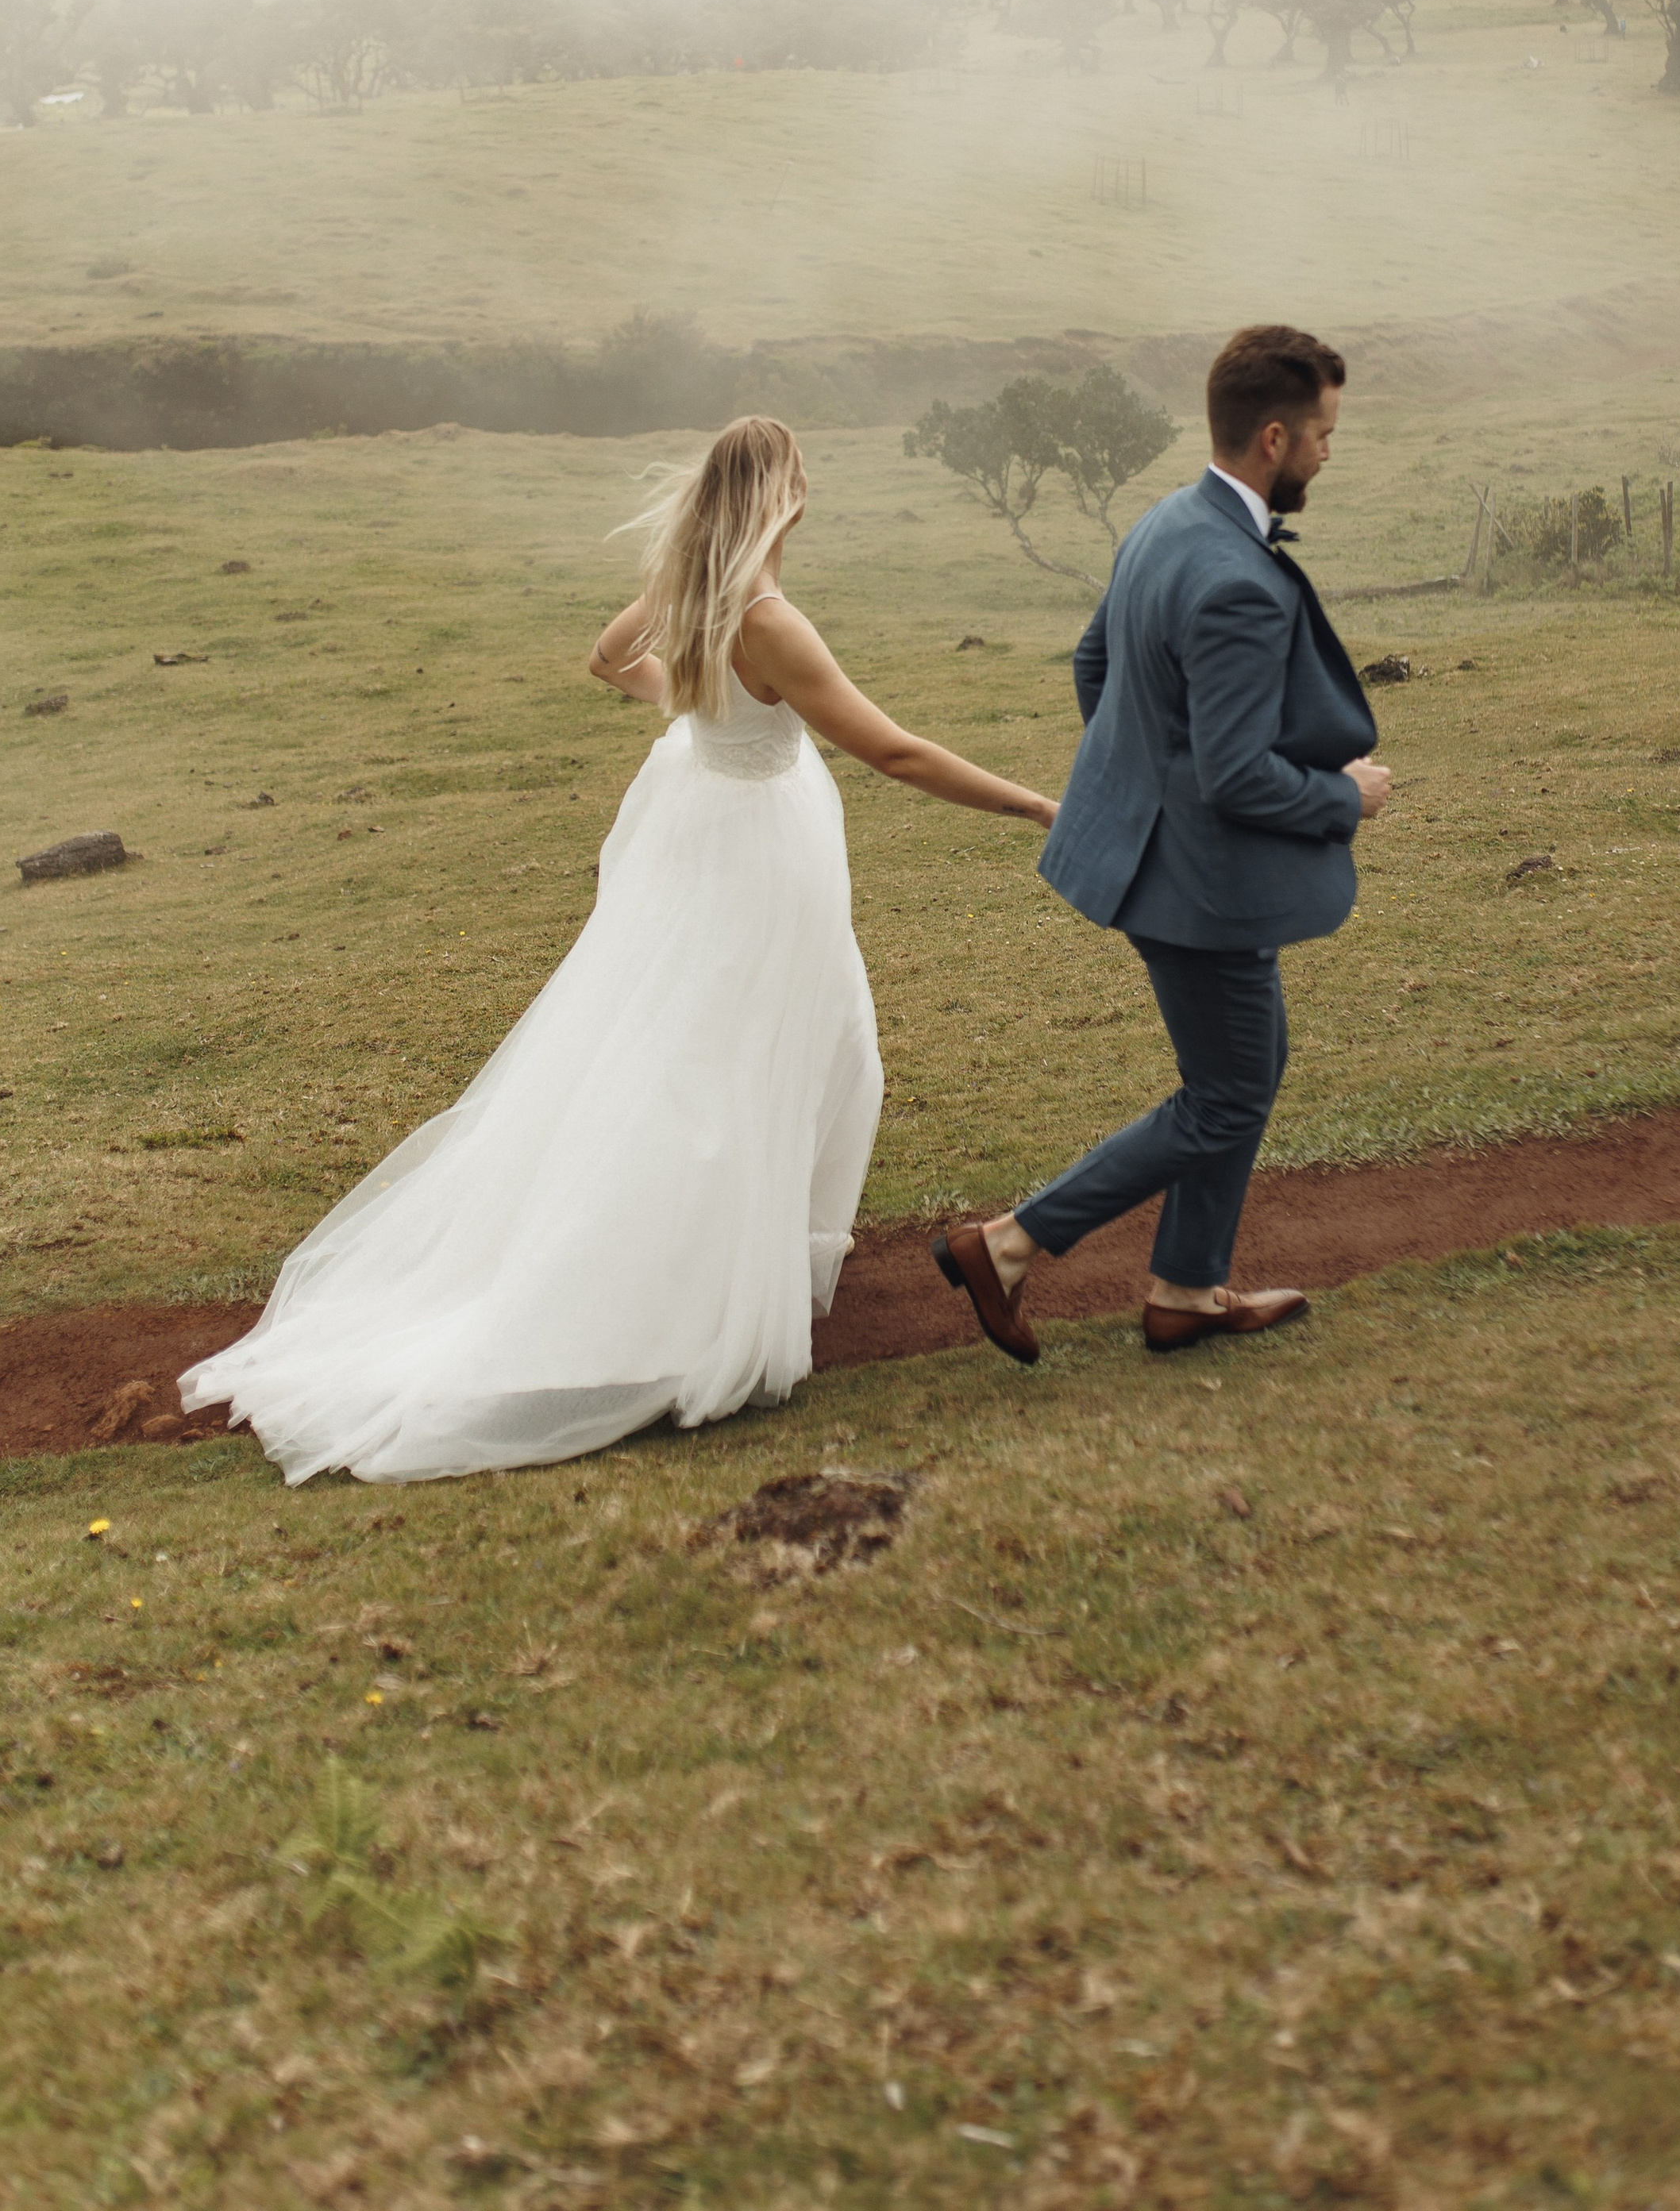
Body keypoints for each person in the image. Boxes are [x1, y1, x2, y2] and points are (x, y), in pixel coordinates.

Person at [182, 416, 1055, 1482]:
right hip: (757, 847)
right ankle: (683, 1295)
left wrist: (694, 710)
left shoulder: (690, 588)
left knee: (692, 1038)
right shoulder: (771, 620)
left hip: (697, 816)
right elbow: (892, 749)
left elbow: (607, 659)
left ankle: (699, 1263)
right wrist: (1037, 808)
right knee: (754, 1058)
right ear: (791, 497)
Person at [931, 325, 1389, 1362]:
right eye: (1323, 434)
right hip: (1202, 889)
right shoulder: (1234, 577)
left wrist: (1142, 789)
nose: (1329, 452)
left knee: (1251, 1064)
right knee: (1227, 1091)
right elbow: (1237, 775)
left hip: (1161, 867)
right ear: (1273, 438)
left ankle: (1188, 1286)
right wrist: (1342, 797)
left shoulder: (1163, 523)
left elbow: (1097, 666)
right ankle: (1006, 1244)